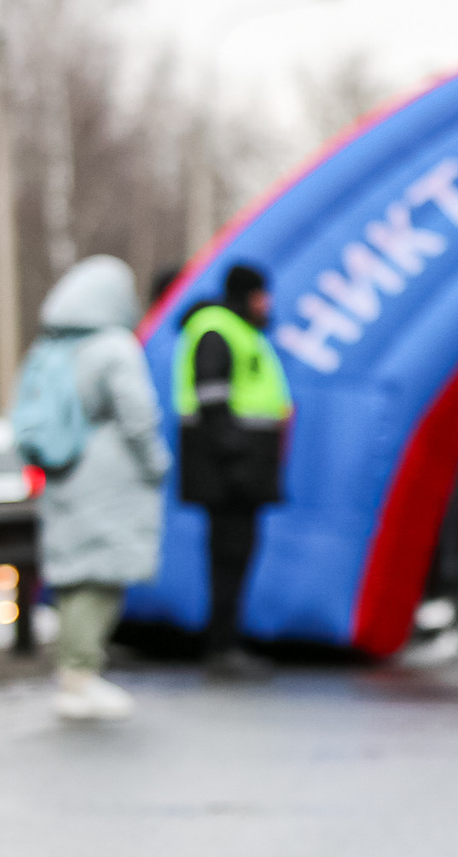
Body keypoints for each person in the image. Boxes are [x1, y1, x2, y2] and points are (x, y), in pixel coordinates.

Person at [16, 256, 170, 722]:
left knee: (72, 574)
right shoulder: (114, 347)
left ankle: (74, 668)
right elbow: (137, 414)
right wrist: (156, 463)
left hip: (64, 472)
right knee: (102, 576)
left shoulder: (49, 349)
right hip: (110, 475)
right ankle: (82, 674)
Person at [174, 262, 289, 678]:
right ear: (246, 296)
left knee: (234, 560)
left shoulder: (236, 331)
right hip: (229, 477)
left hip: (237, 476)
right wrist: (238, 457)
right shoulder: (218, 331)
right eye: (261, 295)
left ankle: (226, 642)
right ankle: (222, 646)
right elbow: (213, 400)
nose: (267, 304)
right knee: (228, 559)